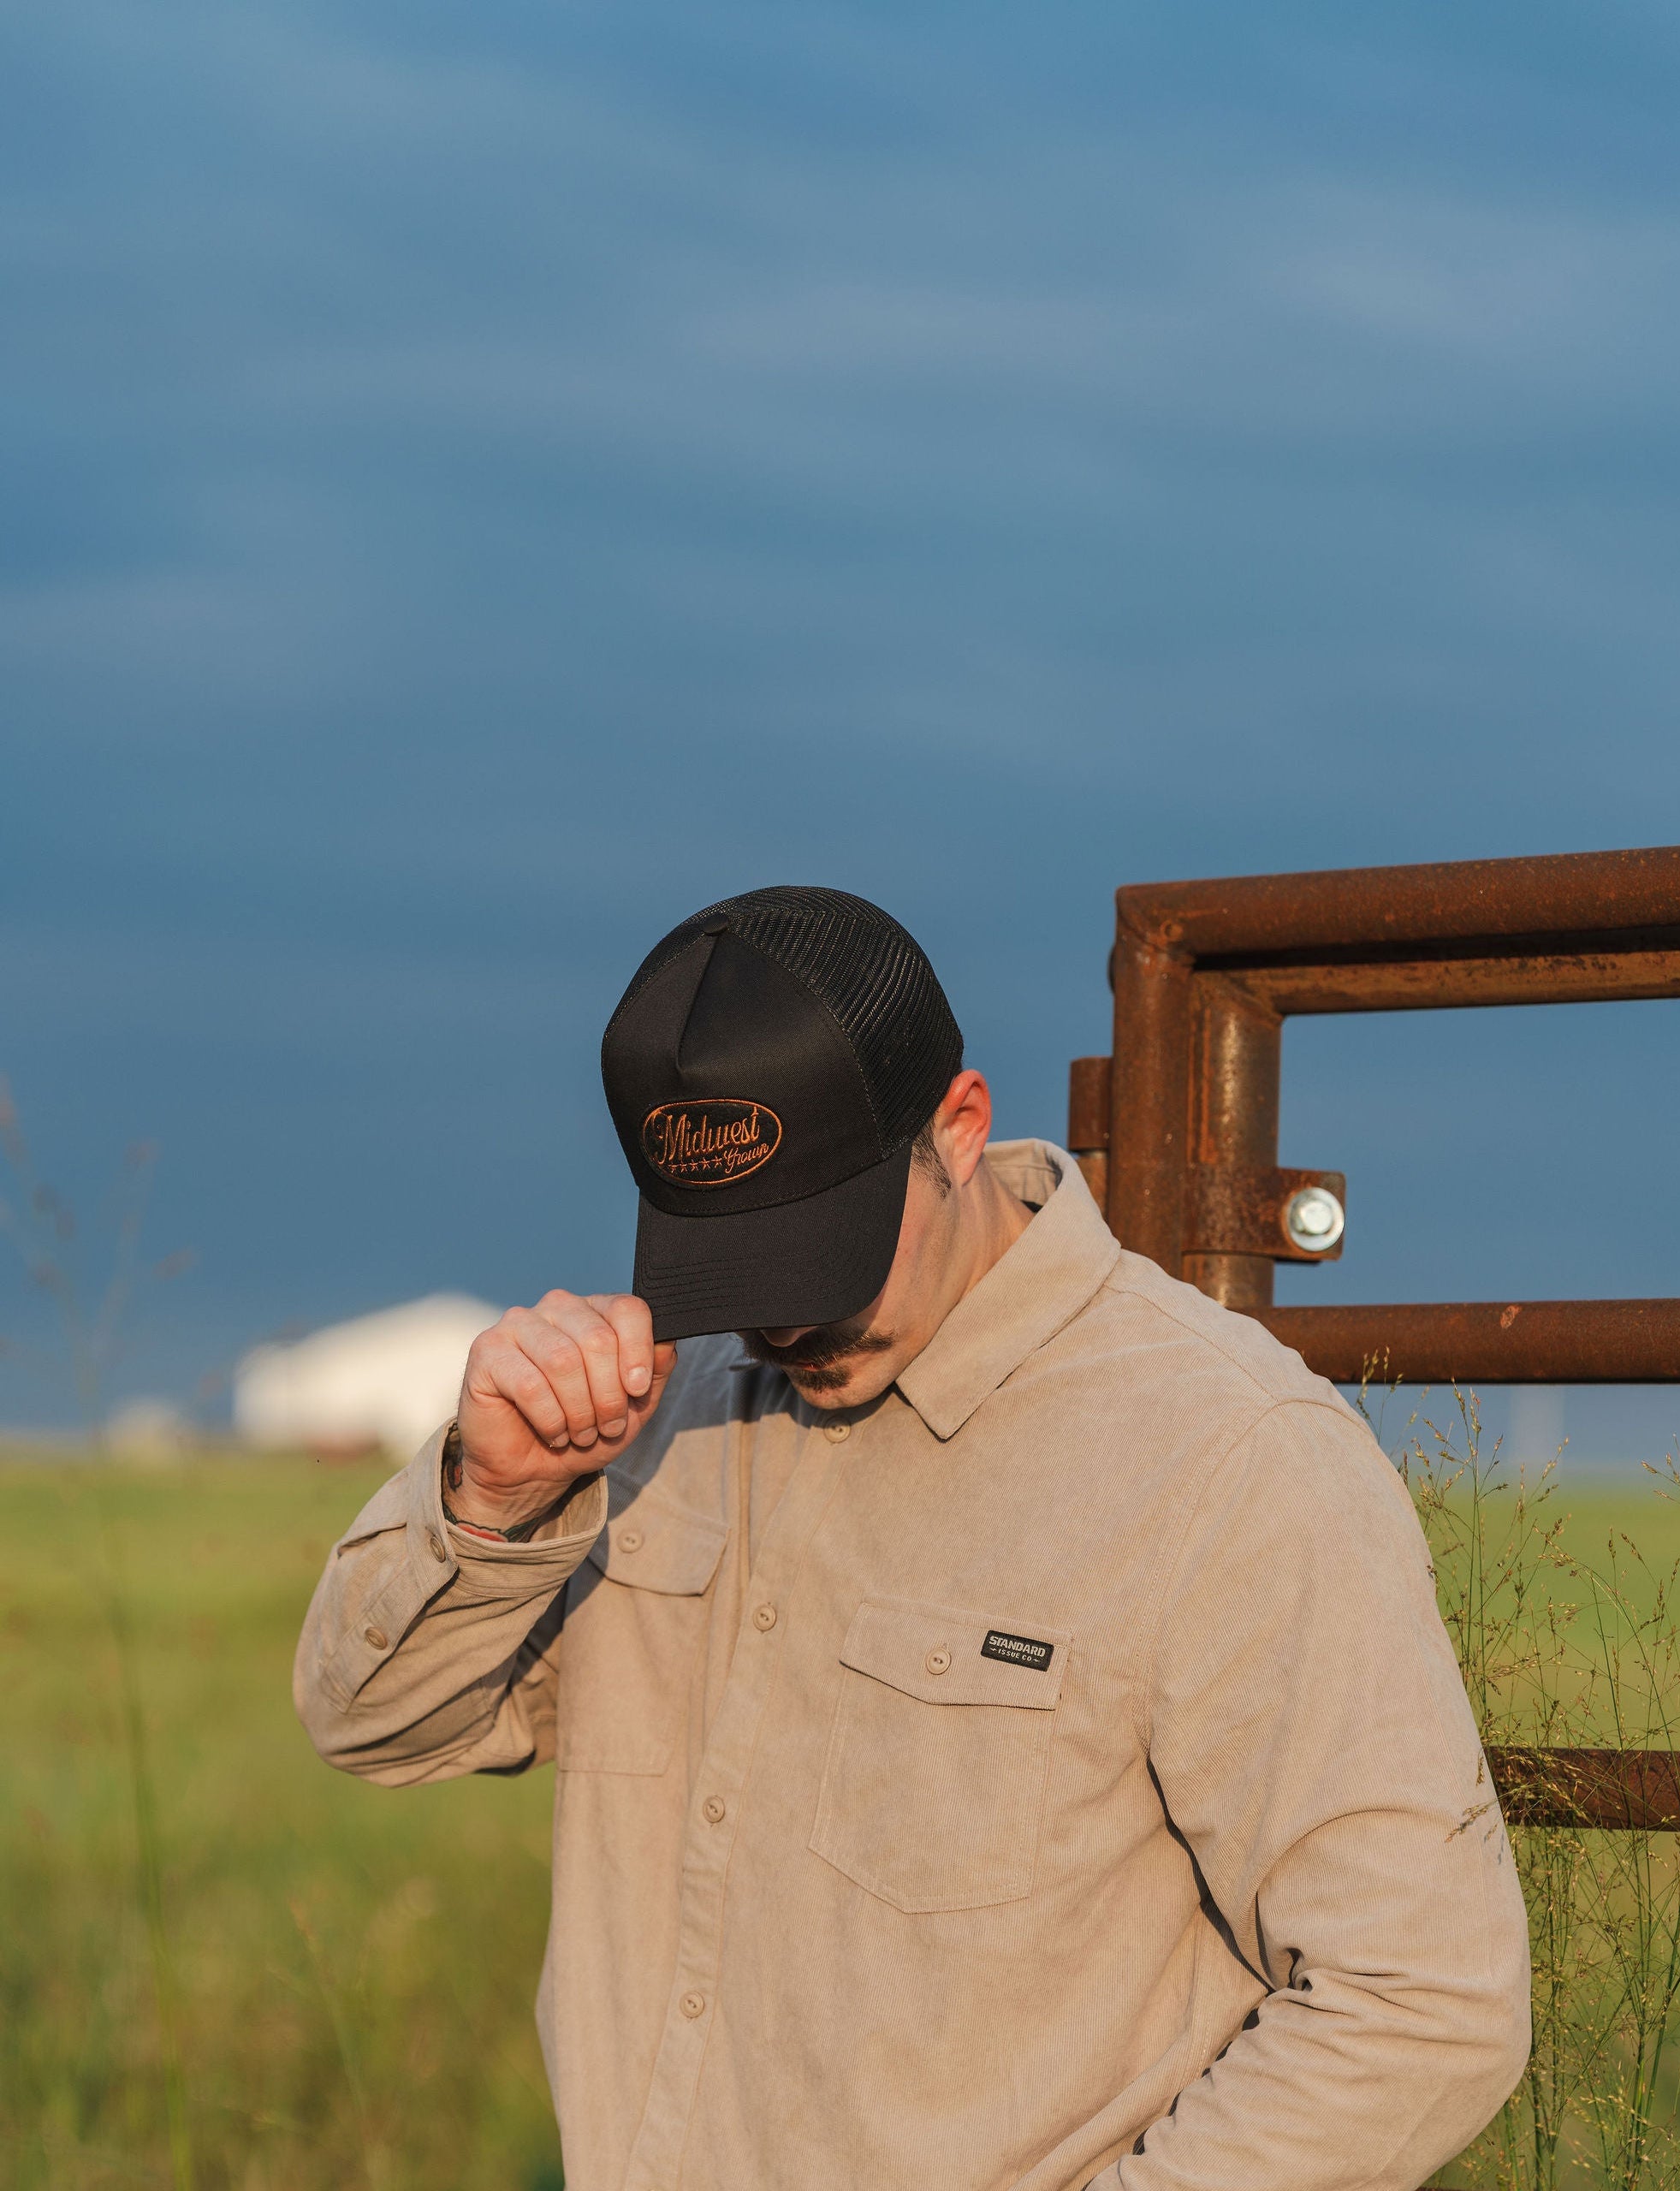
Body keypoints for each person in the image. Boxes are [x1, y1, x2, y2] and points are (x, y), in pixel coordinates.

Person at [295, 884, 1529, 2191]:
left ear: (958, 1128)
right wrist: (495, 1503)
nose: (779, 1330)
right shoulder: (652, 1415)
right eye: (735, 1267)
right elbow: (374, 1725)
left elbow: (1422, 2000)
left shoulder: (1227, 1458)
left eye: (819, 1257)